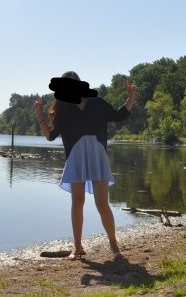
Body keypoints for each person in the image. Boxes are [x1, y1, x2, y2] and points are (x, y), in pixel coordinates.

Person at [33, 71, 136, 260]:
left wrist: (131, 97)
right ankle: (78, 246)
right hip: (76, 157)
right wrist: (40, 114)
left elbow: (118, 115)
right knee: (77, 201)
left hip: (98, 155)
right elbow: (50, 135)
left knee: (102, 203)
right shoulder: (63, 109)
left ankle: (114, 246)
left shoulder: (97, 102)